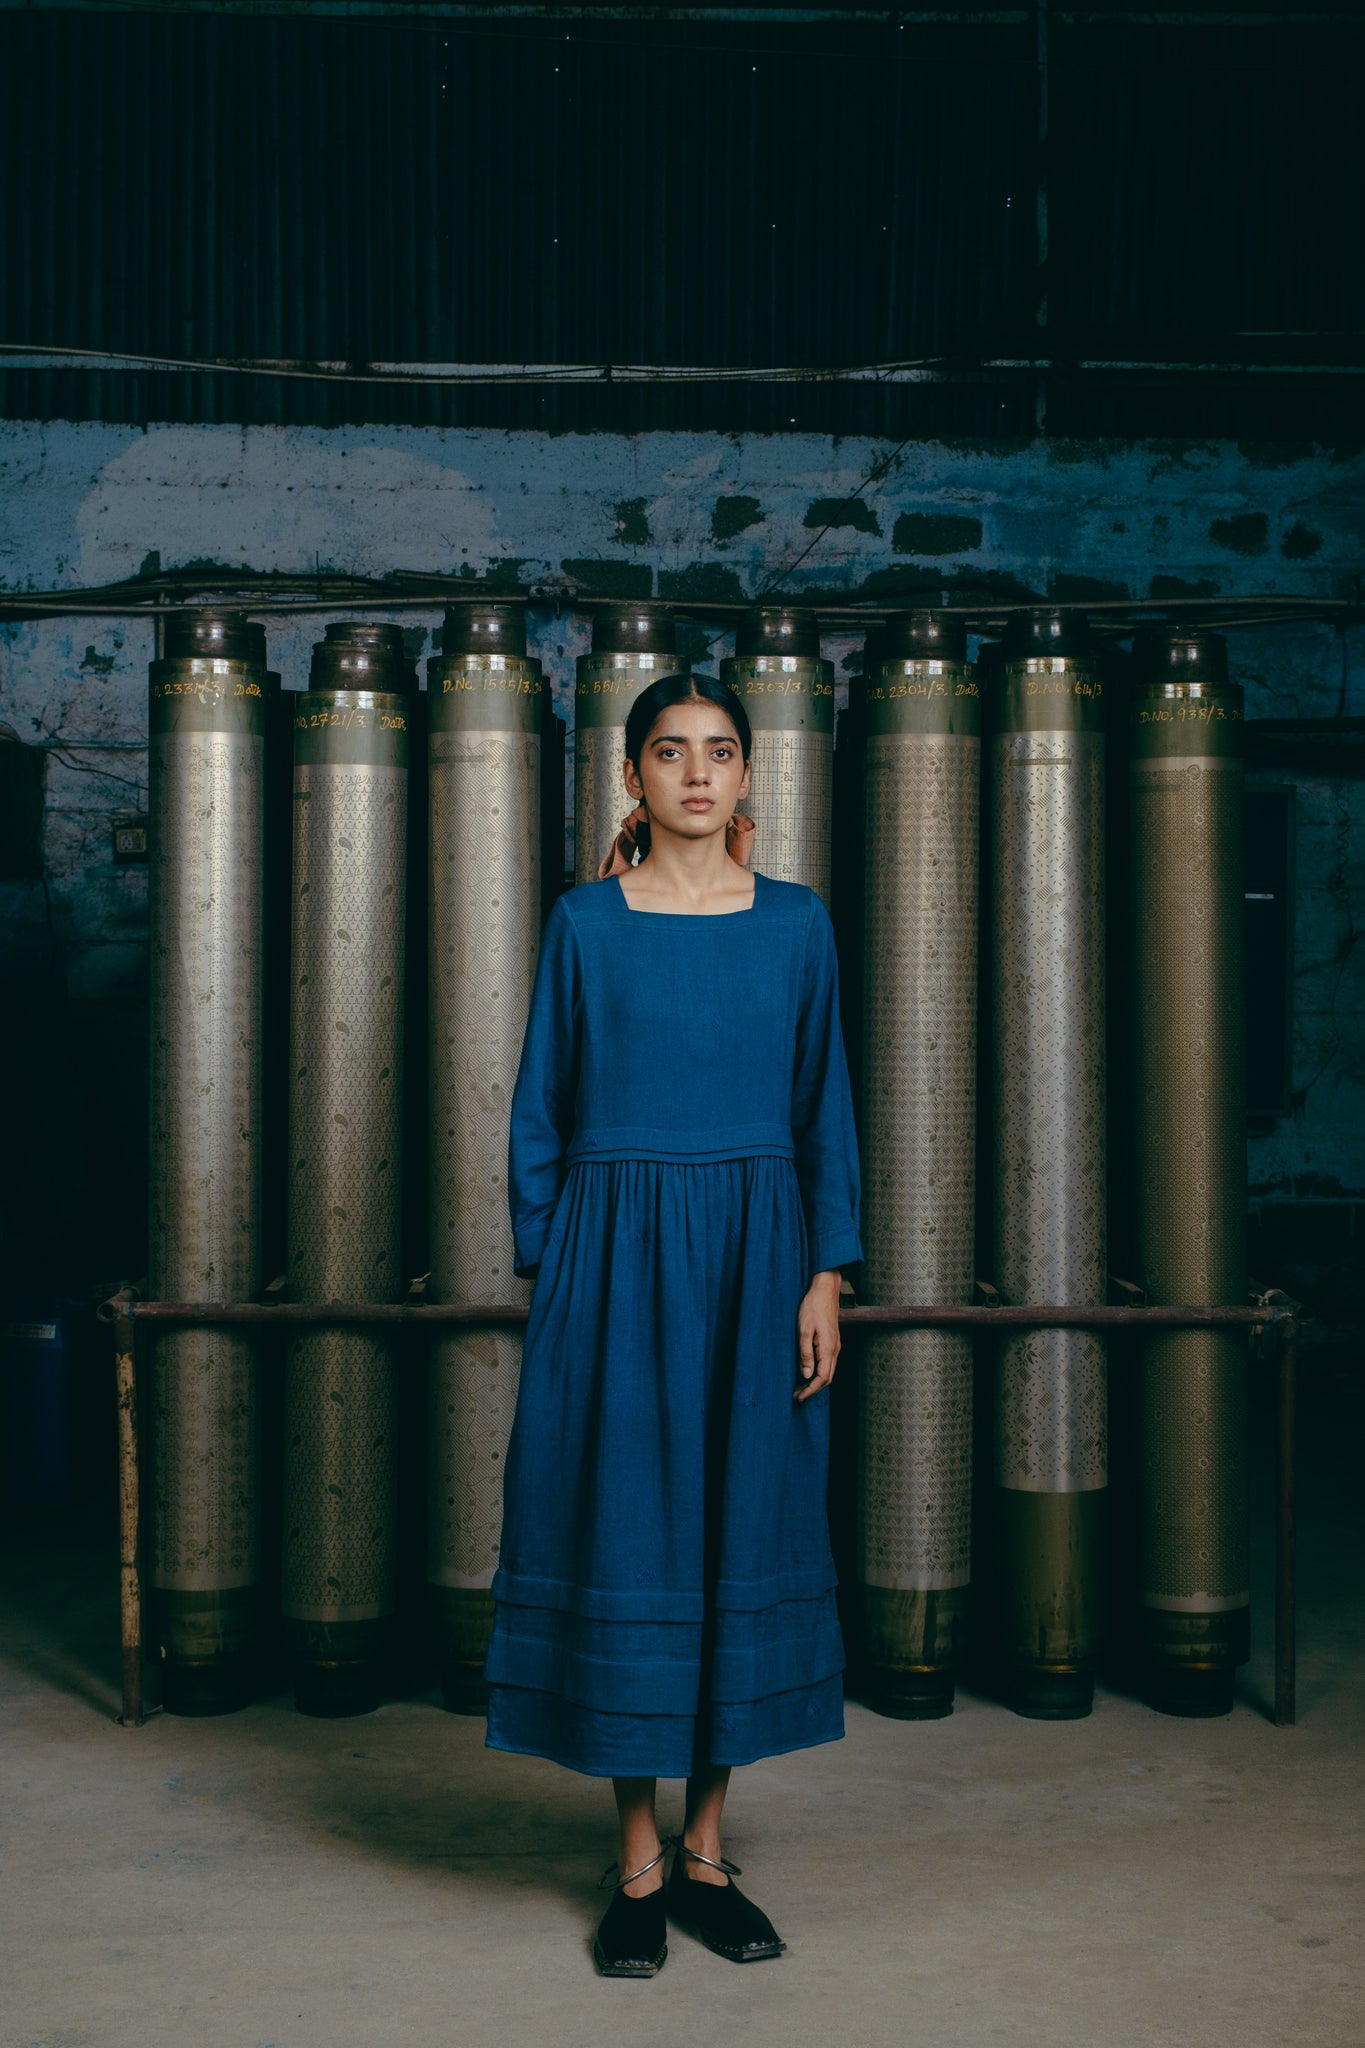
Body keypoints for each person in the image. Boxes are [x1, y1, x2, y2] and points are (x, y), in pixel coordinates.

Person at [484, 671, 862, 1977]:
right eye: (667, 752)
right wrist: (560, 1267)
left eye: (717, 751)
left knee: (732, 1533)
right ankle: (635, 1862)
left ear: (748, 776)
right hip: (615, 1258)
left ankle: (708, 1855)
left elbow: (826, 1110)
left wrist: (824, 1273)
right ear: (633, 778)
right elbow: (542, 1102)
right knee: (624, 1535)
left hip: (758, 1259)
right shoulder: (585, 921)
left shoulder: (798, 925)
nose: (695, 773)